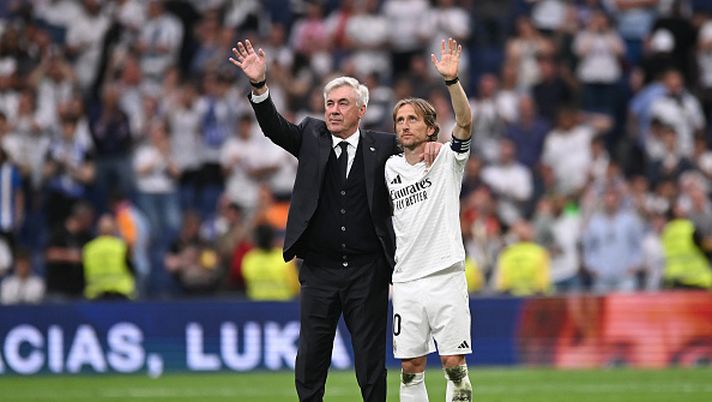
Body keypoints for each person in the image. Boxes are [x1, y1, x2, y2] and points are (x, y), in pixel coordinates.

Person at [229, 39, 440, 402]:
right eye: (329, 103)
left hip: (367, 271)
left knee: (370, 362)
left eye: (343, 103)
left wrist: (432, 145)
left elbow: (416, 144)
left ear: (361, 110)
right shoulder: (311, 135)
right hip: (319, 271)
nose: (334, 110)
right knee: (311, 359)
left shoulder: (383, 146)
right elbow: (274, 128)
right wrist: (260, 86)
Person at [385, 38, 473, 402]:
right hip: (405, 281)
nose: (405, 126)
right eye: (400, 120)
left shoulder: (447, 160)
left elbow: (465, 123)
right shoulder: (387, 167)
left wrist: (451, 82)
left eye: (413, 120)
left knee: (453, 362)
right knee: (410, 369)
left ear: (431, 128)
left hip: (445, 274)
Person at [242, 223, 300, 301]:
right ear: (273, 238)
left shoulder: (249, 259)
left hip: (256, 306)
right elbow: (295, 288)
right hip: (283, 308)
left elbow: (246, 285)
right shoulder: (285, 259)